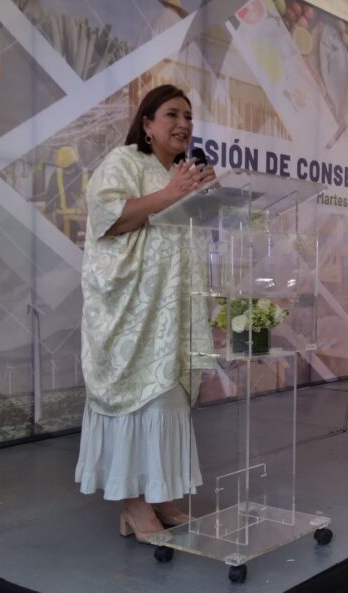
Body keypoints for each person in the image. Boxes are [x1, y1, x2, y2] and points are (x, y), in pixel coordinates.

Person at [75, 84, 216, 544]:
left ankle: (160, 495)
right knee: (137, 403)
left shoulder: (180, 172)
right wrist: (173, 193)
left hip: (171, 312)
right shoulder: (124, 161)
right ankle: (133, 505)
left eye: (189, 116)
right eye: (172, 114)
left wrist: (204, 198)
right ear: (148, 124)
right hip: (133, 312)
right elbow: (108, 219)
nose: (183, 124)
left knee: (167, 402)